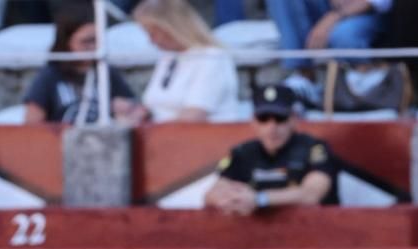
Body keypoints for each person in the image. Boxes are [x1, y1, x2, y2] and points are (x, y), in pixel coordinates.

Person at [204, 83, 338, 216]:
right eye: (263, 119)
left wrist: (259, 199)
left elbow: (311, 194)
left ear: (293, 119)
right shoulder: (243, 152)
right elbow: (211, 194)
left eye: (280, 119)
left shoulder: (314, 148)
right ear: (253, 121)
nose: (272, 127)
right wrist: (232, 200)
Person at [22, 1, 146, 126]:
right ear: (67, 42)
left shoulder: (105, 72)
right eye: (87, 41)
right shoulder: (50, 76)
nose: (94, 47)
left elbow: (138, 110)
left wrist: (128, 110)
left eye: (98, 40)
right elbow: (32, 124)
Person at [265, 0, 392, 107]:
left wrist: (334, 17)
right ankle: (305, 79)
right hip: (329, 9)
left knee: (343, 35)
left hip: (368, 12)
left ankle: (364, 81)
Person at [135, 0, 240, 122]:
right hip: (164, 134)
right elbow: (153, 105)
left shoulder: (212, 58)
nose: (151, 41)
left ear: (172, 28)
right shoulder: (169, 57)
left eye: (153, 33)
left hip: (200, 137)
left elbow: (194, 116)